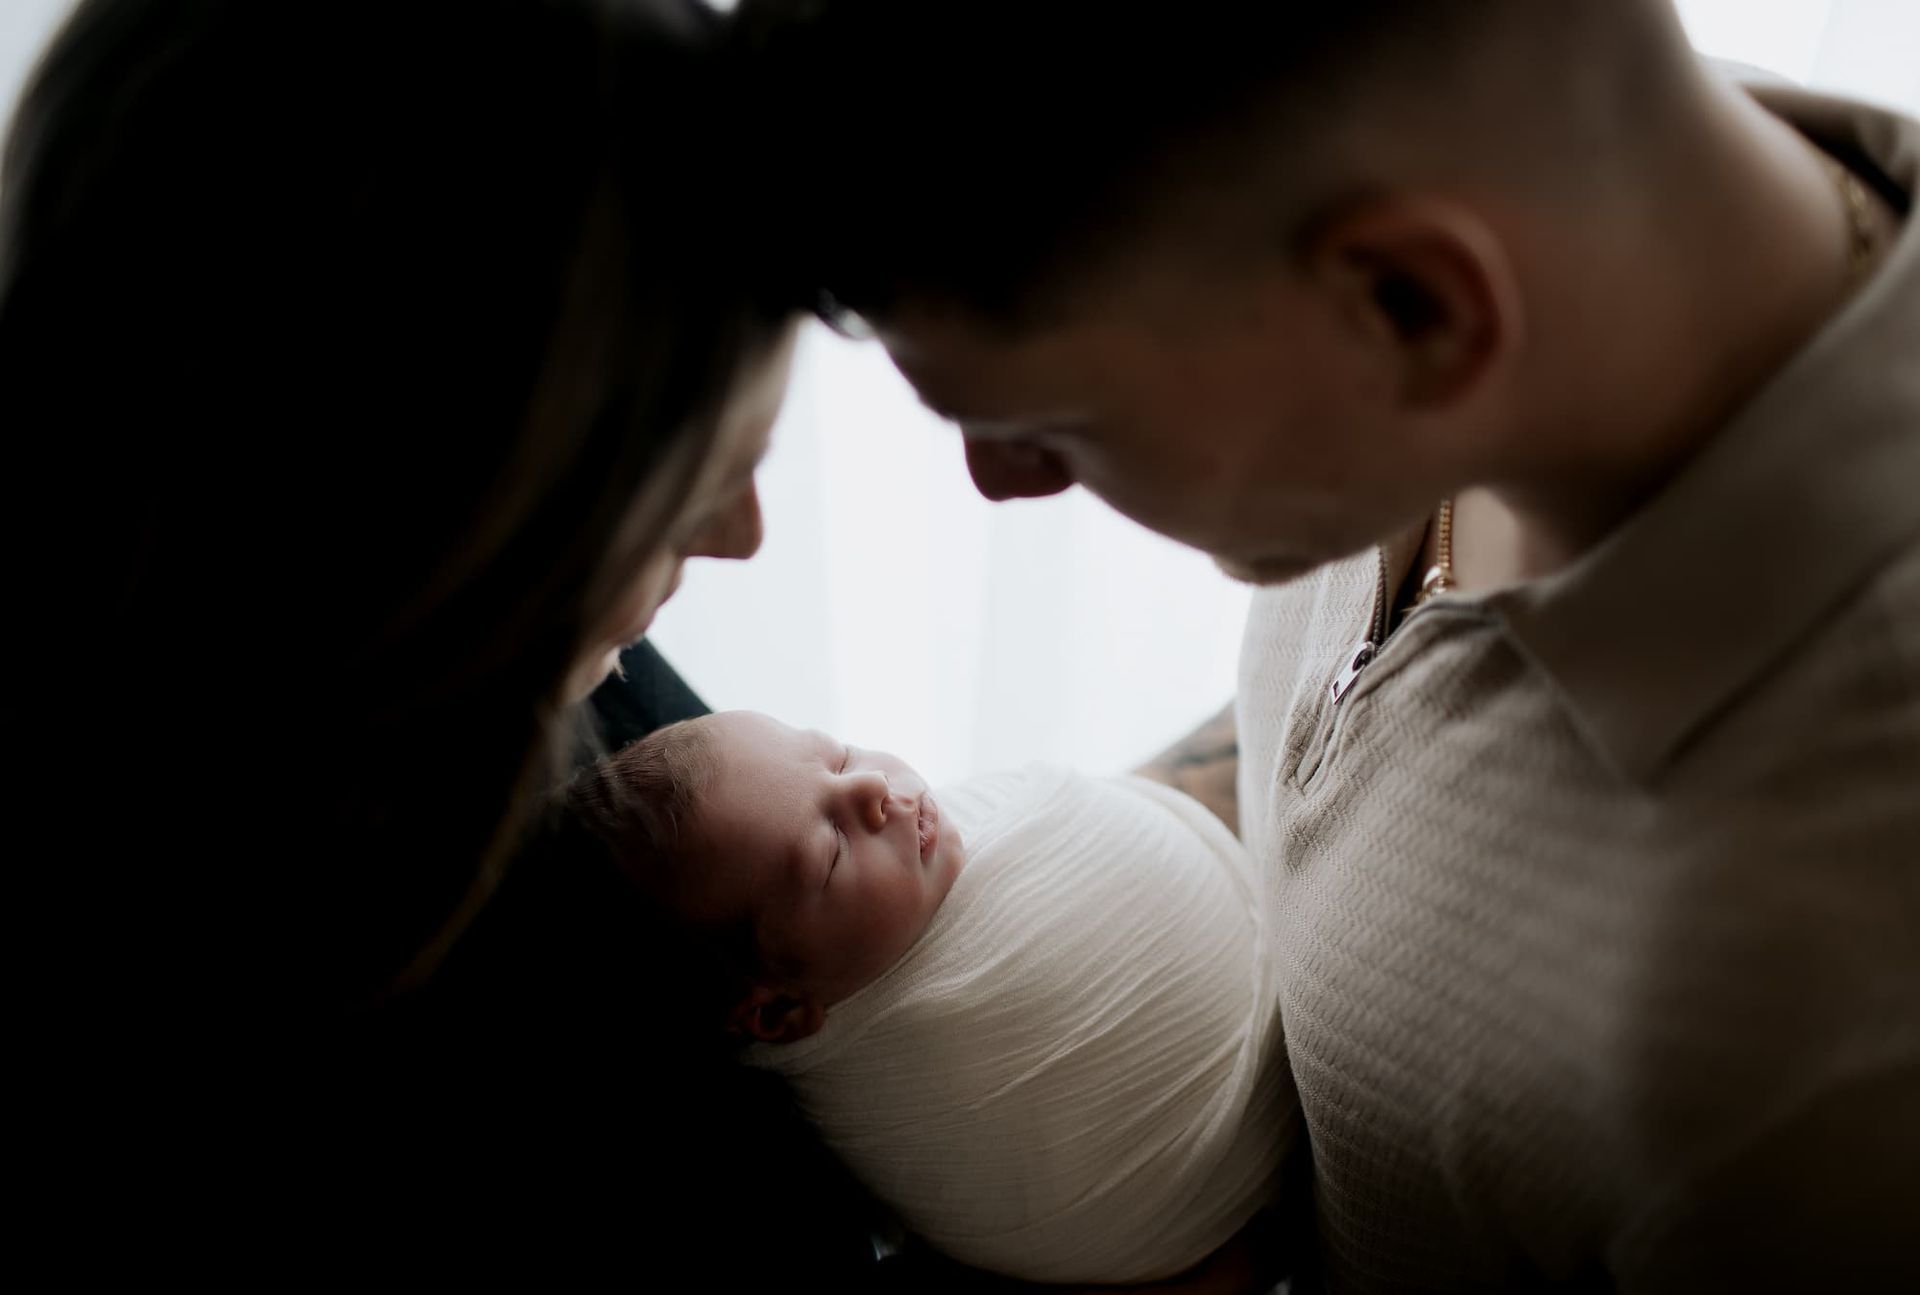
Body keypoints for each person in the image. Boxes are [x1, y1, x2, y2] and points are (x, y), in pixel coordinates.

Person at [734, 1, 1920, 1288]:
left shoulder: (1836, 1050)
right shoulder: (1549, 246)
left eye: (1055, 424)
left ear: (1416, 309)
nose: (1002, 486)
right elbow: (1367, 750)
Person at [3, 0, 887, 1282]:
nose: (745, 535)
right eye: (689, 473)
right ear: (445, 499)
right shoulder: (382, 1078)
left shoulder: (526, 696)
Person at [573, 710, 1294, 1285]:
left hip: (1264, 947)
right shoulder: (922, 1068)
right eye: (828, 850)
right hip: (1222, 1197)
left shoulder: (884, 886)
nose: (872, 791)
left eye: (839, 755)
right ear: (779, 1013)